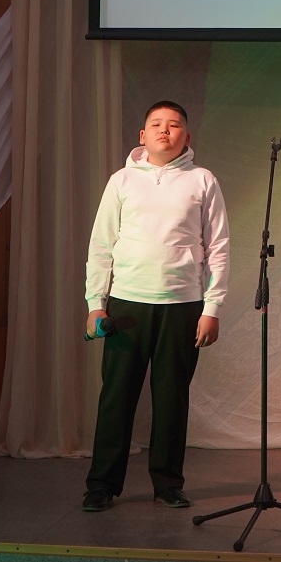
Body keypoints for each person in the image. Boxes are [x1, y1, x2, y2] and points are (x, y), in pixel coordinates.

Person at [82, 100, 230, 512]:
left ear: (187, 136)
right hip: (127, 306)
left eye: (174, 124)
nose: (165, 130)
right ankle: (102, 484)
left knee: (171, 398)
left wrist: (212, 308)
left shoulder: (202, 180)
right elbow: (101, 245)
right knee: (117, 396)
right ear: (143, 135)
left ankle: (167, 483)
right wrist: (96, 304)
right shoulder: (122, 180)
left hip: (183, 305)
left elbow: (218, 247)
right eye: (157, 124)